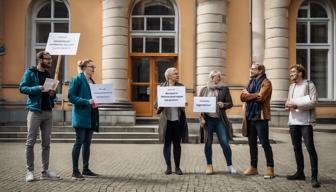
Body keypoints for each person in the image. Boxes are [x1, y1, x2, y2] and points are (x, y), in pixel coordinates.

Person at [19, 51, 60, 182]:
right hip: (35, 111)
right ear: (40, 59)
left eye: (51, 60)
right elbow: (22, 88)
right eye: (47, 59)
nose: (50, 62)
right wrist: (37, 88)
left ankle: (44, 172)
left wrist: (52, 93)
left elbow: (49, 95)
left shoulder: (48, 74)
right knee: (30, 142)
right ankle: (29, 171)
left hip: (48, 112)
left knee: (46, 143)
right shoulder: (30, 72)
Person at [285, 64, 320, 188]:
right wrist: (287, 105)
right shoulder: (291, 86)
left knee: (310, 148)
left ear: (300, 72)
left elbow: (314, 102)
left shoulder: (309, 85)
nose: (291, 74)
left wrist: (297, 106)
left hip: (306, 122)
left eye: (293, 72)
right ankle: (300, 173)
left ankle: (314, 177)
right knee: (296, 148)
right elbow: (289, 101)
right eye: (290, 72)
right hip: (293, 122)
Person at [240, 63, 275, 179]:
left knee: (265, 143)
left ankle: (270, 168)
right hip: (250, 116)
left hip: (261, 117)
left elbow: (261, 97)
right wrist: (253, 95)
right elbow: (242, 97)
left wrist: (249, 95)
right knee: (252, 144)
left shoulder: (266, 82)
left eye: (253, 69)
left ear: (260, 71)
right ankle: (253, 167)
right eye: (251, 68)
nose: (251, 70)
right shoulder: (251, 82)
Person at [199, 70, 236, 175]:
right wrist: (201, 118)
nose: (217, 78)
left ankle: (230, 165)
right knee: (208, 143)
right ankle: (209, 166)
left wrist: (223, 104)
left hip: (220, 119)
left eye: (218, 76)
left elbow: (230, 103)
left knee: (224, 142)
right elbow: (199, 105)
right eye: (214, 77)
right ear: (210, 78)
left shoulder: (224, 89)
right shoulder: (204, 90)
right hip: (208, 120)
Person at [68, 59, 99, 180]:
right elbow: (71, 96)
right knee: (79, 142)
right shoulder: (77, 79)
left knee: (87, 143)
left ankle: (85, 169)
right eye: (92, 66)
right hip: (81, 115)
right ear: (85, 67)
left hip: (91, 114)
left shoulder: (91, 80)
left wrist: (98, 101)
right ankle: (75, 171)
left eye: (94, 67)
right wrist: (87, 102)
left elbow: (94, 97)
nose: (93, 69)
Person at [155, 67, 188, 175]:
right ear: (169, 76)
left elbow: (183, 101)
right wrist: (159, 107)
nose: (177, 75)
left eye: (177, 73)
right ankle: (168, 167)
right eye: (175, 73)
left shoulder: (180, 87)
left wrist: (184, 103)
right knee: (167, 144)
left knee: (177, 144)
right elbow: (156, 104)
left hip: (178, 120)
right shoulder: (162, 87)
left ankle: (177, 168)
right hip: (166, 121)